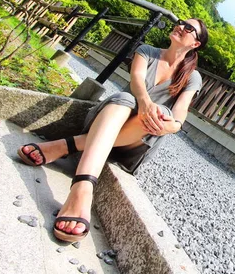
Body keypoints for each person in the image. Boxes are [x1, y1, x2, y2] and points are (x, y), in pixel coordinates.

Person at [17, 18, 208, 243]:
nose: (181, 26)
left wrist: (172, 125)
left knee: (163, 114)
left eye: (189, 28)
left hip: (135, 142)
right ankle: (82, 189)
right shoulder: (147, 51)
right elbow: (136, 80)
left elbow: (180, 111)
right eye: (181, 22)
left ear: (195, 44)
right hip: (109, 120)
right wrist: (145, 103)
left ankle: (66, 145)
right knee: (126, 97)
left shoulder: (192, 77)